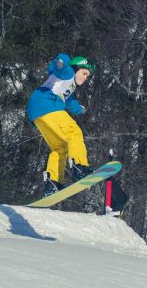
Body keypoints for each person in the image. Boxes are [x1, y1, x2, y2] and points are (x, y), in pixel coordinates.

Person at [27, 53, 96, 196]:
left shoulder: (69, 85)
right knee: (74, 132)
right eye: (84, 73)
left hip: (37, 111)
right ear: (76, 68)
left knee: (60, 148)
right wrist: (62, 60)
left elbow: (68, 101)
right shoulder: (68, 73)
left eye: (87, 76)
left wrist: (80, 109)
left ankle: (53, 182)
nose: (85, 77)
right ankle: (79, 166)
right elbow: (58, 66)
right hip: (47, 104)